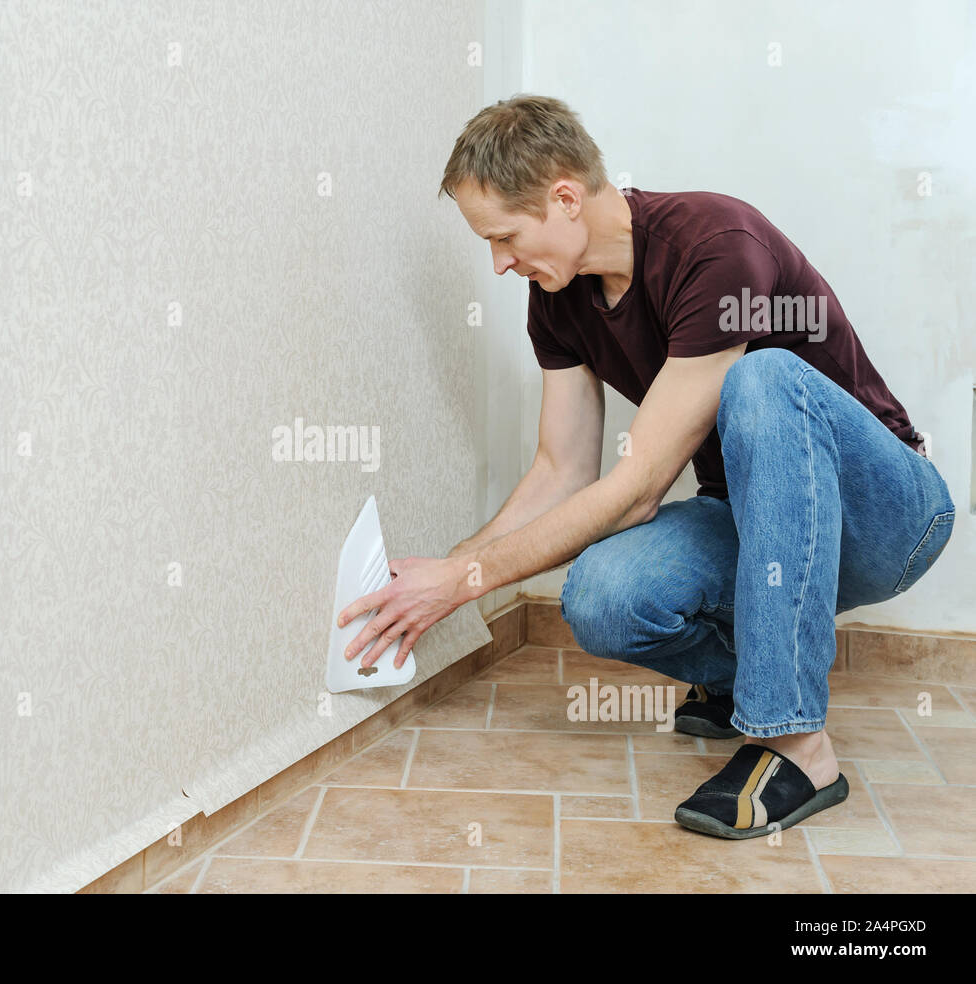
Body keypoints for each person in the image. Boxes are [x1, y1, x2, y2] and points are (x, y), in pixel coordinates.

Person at [335, 94, 955, 839]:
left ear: (565, 197)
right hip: (758, 524)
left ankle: (798, 744)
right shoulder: (557, 300)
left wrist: (466, 583)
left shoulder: (716, 243)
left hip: (887, 517)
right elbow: (562, 469)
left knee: (762, 378)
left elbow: (633, 495)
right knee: (601, 596)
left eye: (503, 237)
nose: (499, 264)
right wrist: (444, 573)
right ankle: (748, 680)